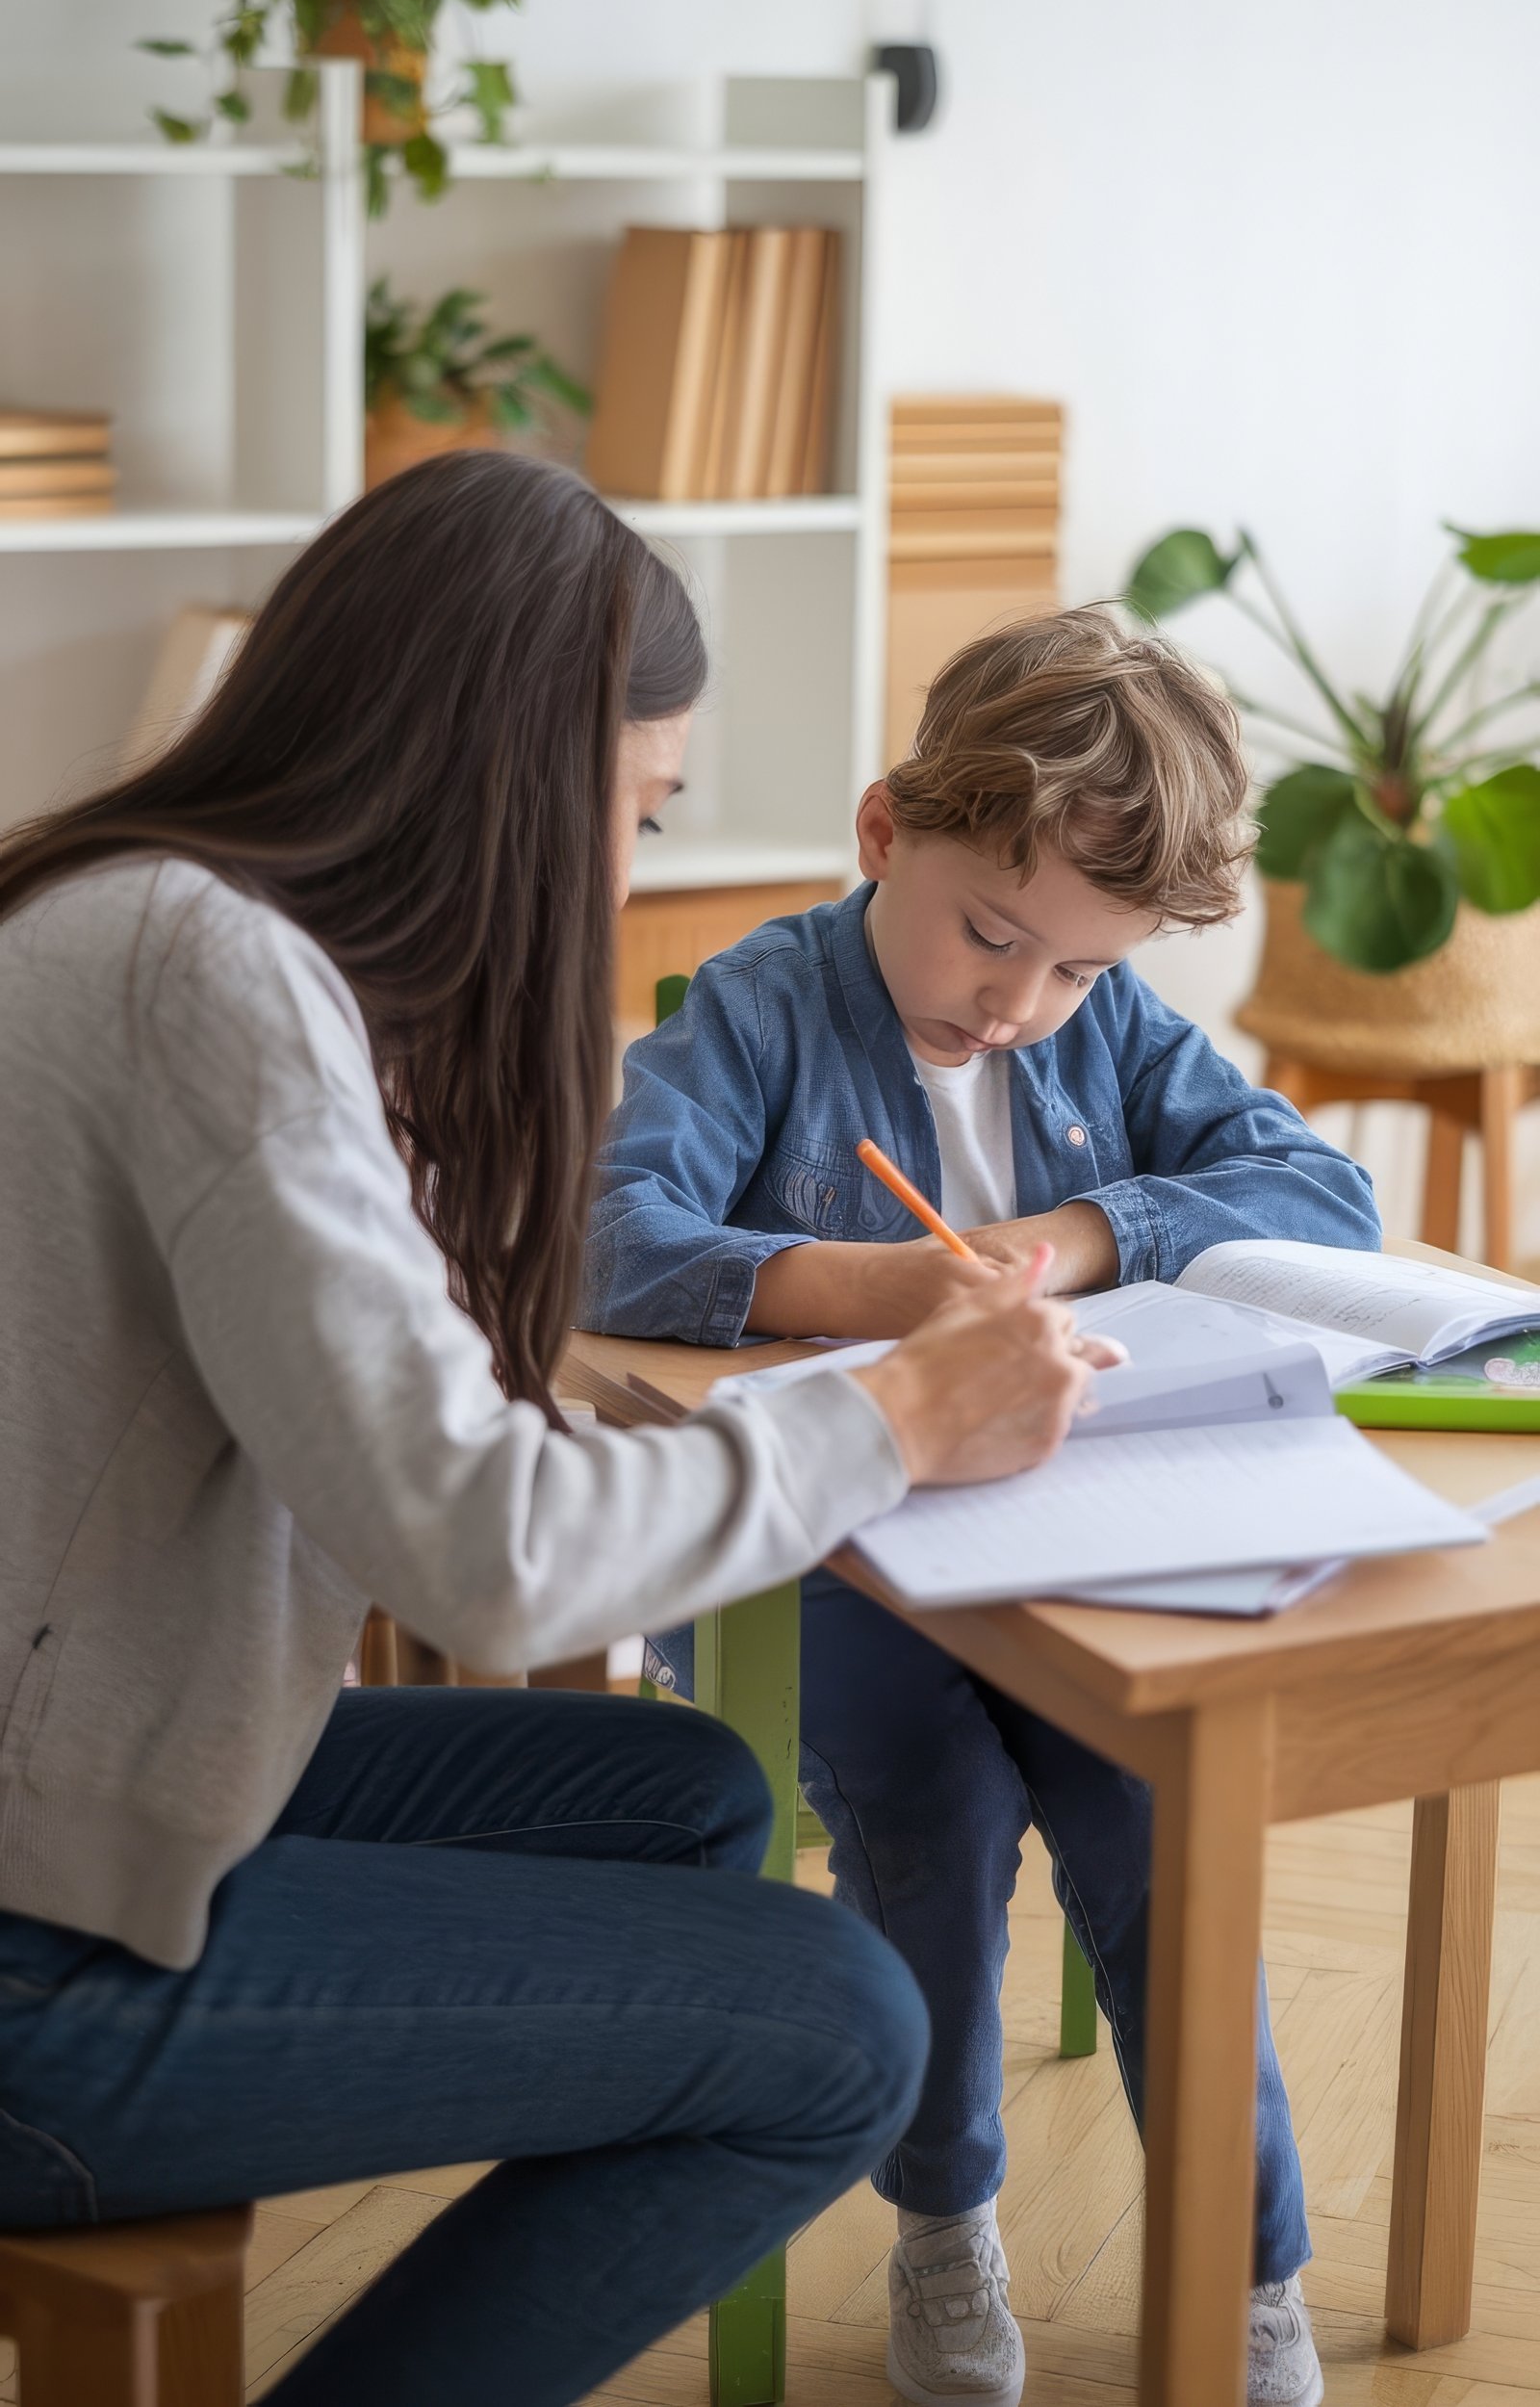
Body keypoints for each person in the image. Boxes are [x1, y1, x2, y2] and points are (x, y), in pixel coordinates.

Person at [0, 457, 1125, 2407]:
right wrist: (891, 1417)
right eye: (635, 805)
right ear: (497, 770)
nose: (620, 869)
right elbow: (484, 1546)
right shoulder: (212, 983)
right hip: (34, 1951)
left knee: (681, 1790)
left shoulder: (153, 916)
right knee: (843, 2025)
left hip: (77, 1778)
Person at [583, 605, 1381, 2407]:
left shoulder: (1095, 1035)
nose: (1018, 1003)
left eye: (1078, 973)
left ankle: (1245, 2262)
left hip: (1076, 1542)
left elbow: (1317, 1184)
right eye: (992, 934)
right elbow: (610, 1239)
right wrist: (888, 1290)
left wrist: (1088, 1235)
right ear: (885, 834)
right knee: (928, 1824)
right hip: (840, 1560)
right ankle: (945, 2221)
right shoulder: (761, 1007)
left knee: (1164, 1814)